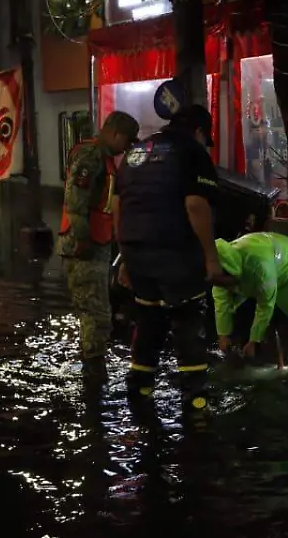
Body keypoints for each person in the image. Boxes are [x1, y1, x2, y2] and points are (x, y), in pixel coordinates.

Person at [117, 89, 225, 418]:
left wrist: (124, 256)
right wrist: (211, 256)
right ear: (199, 132)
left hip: (137, 253)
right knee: (188, 319)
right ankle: (195, 402)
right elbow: (195, 205)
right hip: (176, 253)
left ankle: (140, 390)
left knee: (148, 318)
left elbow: (118, 206)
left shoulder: (136, 151)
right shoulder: (191, 151)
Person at [57, 111, 140, 366]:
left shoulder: (105, 159)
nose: (127, 147)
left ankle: (93, 365)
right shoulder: (91, 155)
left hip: (97, 242)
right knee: (97, 316)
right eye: (127, 141)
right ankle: (93, 374)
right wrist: (83, 240)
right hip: (86, 245)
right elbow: (75, 202)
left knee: (98, 313)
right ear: (114, 133)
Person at [213, 232, 288, 362]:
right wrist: (223, 335)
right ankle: (248, 350)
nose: (224, 286)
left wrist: (254, 340)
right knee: (243, 308)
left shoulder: (259, 265)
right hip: (261, 269)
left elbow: (266, 304)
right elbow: (221, 305)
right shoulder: (219, 271)